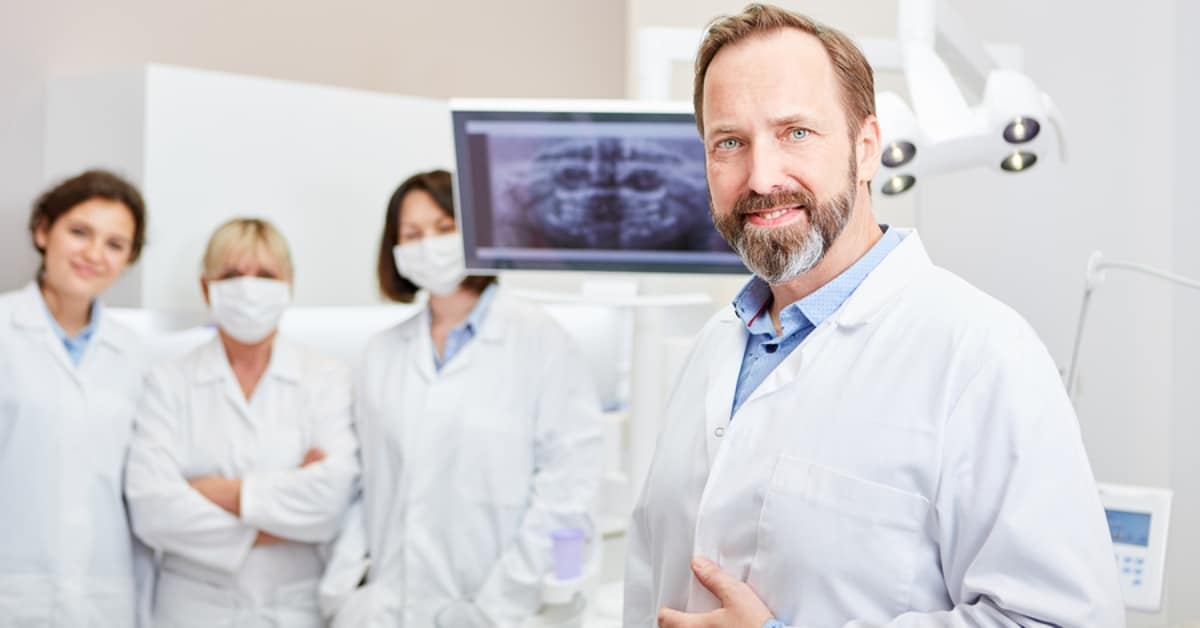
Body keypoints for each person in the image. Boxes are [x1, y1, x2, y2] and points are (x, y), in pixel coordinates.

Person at [624, 5, 1124, 627]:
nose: (762, 176)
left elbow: (1059, 620)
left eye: (795, 133)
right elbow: (651, 576)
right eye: (729, 142)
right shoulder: (715, 348)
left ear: (866, 150)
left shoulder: (983, 355)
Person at [318, 169, 604, 628]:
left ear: (476, 233)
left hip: (499, 609)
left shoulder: (541, 341)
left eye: (445, 228)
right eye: (412, 234)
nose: (428, 244)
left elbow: (567, 490)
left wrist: (496, 607)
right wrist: (346, 590)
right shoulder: (381, 355)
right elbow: (365, 491)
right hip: (388, 609)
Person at [124, 218, 359, 627]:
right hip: (193, 609)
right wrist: (282, 516)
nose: (249, 288)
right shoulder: (168, 382)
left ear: (288, 286)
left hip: (295, 607)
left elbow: (331, 503)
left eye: (266, 275)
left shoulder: (326, 378)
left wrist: (210, 491)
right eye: (232, 275)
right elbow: (152, 508)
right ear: (206, 288)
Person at [0, 170, 152, 627]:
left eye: (114, 244)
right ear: (44, 231)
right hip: (12, 588)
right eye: (80, 232)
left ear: (128, 258)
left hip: (103, 593)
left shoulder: (135, 355)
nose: (93, 254)